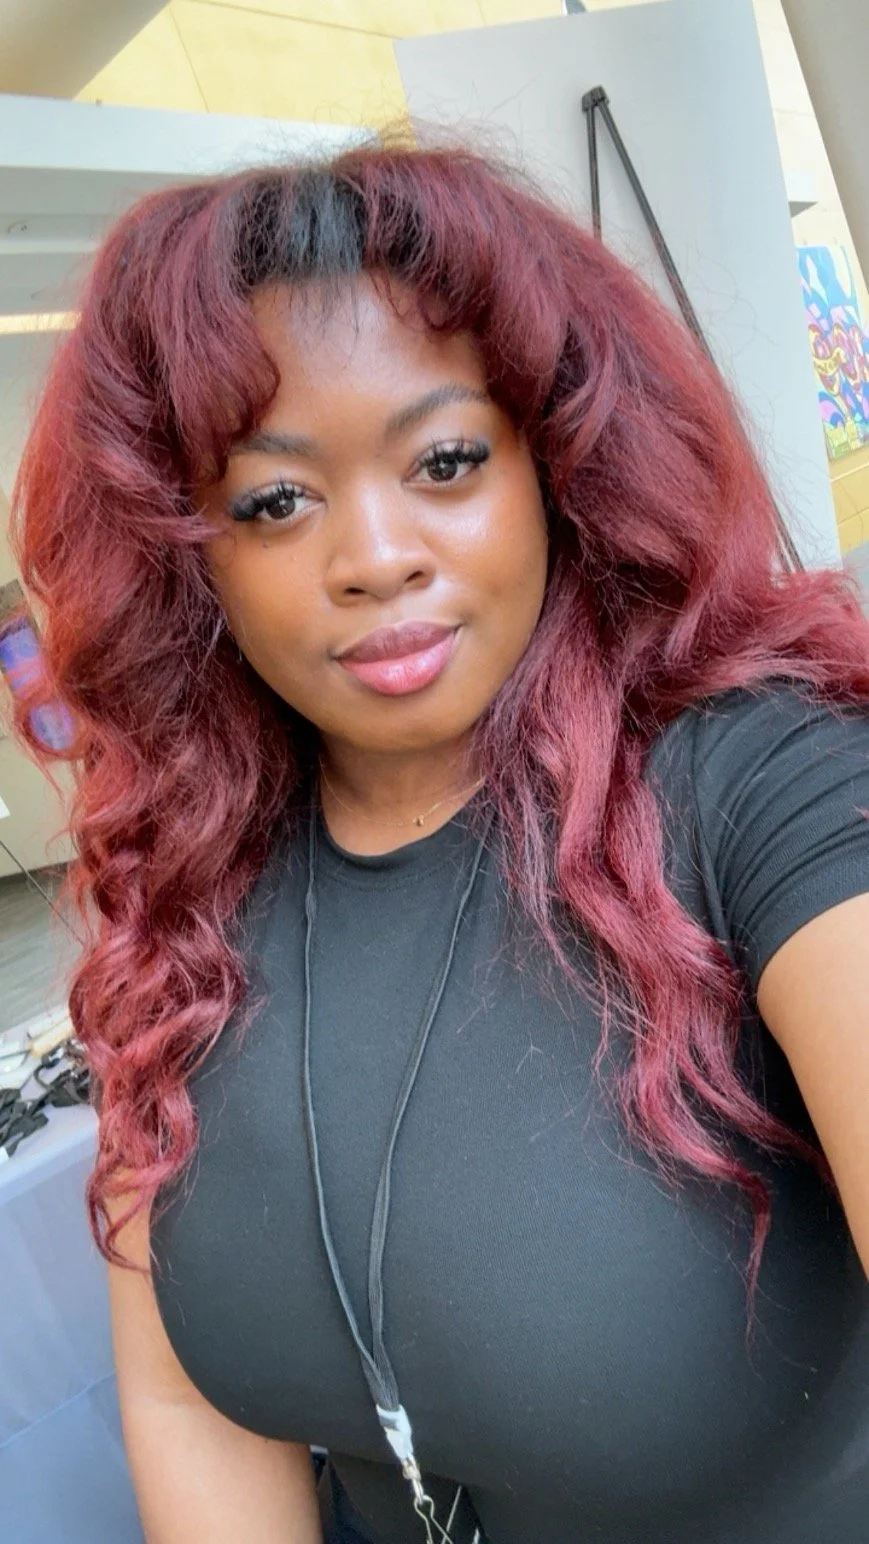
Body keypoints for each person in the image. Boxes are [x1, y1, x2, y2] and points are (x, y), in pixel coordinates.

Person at [8, 138, 869, 1544]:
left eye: (448, 460)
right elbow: (189, 1407)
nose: (376, 553)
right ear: (187, 556)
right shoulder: (186, 898)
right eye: (274, 500)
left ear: (559, 464)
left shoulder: (771, 785)